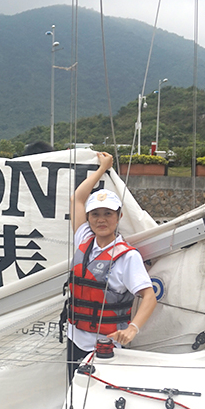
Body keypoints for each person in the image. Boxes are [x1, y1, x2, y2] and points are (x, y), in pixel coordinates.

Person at [65, 152, 157, 380]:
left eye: (108, 214)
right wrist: (102, 169)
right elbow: (77, 199)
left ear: (119, 216)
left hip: (106, 346)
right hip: (75, 340)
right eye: (95, 214)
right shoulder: (84, 238)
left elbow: (149, 296)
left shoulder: (128, 257)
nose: (101, 219)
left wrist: (132, 328)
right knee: (74, 391)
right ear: (88, 217)